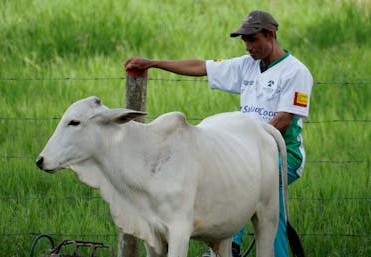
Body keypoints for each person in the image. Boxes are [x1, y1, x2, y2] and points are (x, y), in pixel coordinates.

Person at [124, 10, 312, 257]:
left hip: (281, 154)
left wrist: (243, 154)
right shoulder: (247, 65)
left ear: (270, 35)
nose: (247, 47)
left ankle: (246, 250)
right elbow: (201, 66)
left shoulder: (295, 72)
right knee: (235, 185)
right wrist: (154, 63)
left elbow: (283, 120)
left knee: (255, 200)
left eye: (252, 39)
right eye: (244, 40)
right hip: (249, 152)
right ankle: (227, 247)